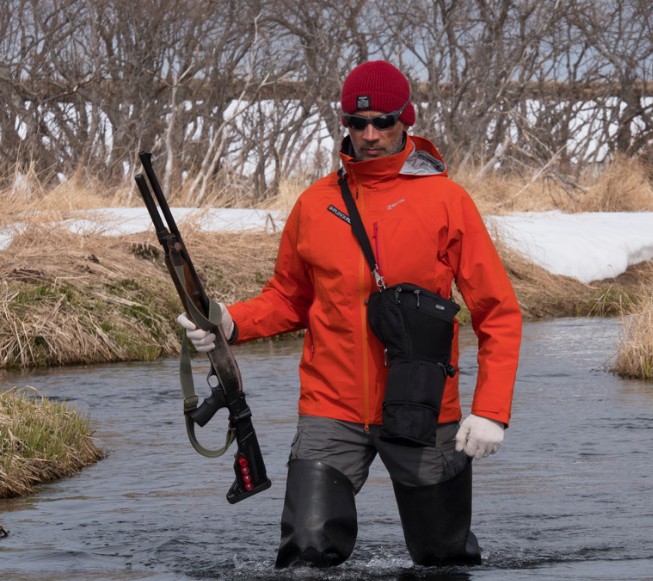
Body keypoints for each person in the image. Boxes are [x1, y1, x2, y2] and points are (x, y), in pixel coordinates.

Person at [176, 60, 522, 568]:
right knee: (306, 552)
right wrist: (229, 322)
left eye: (382, 121)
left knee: (442, 559)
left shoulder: (448, 201)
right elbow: (289, 299)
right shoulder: (315, 204)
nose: (369, 134)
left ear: (408, 119)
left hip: (424, 408)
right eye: (356, 123)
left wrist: (492, 411)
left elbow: (498, 313)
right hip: (330, 405)